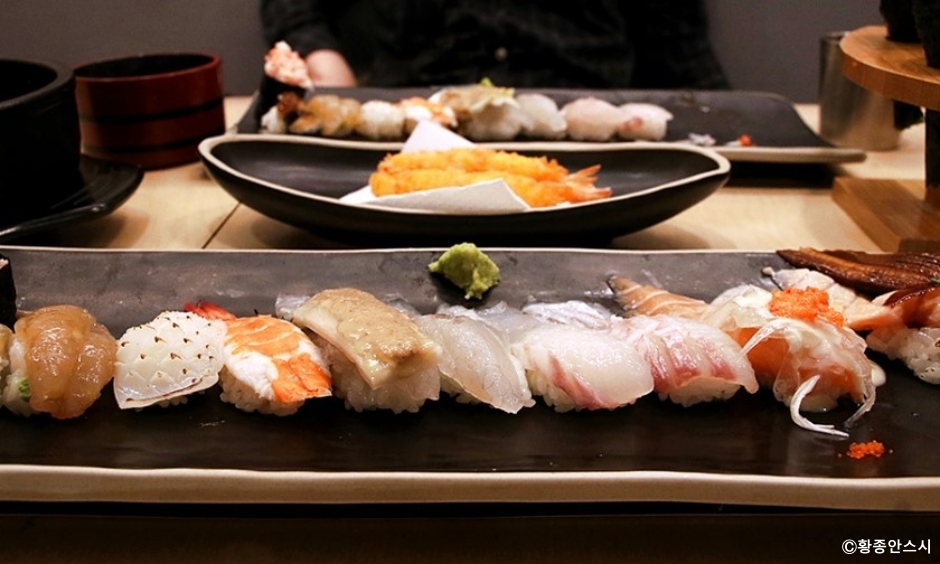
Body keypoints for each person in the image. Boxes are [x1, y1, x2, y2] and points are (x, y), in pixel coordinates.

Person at [260, 0, 730, 90]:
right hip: (414, 107)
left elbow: (679, 46)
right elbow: (293, 6)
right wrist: (319, 53)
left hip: (587, 107)